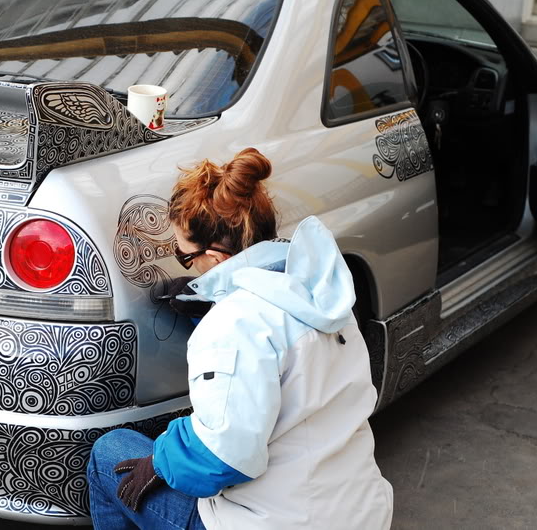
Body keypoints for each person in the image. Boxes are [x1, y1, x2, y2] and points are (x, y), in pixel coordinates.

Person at [86, 148, 393, 529]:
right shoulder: (324, 298)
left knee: (108, 453)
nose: (187, 266)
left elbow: (223, 459)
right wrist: (211, 303)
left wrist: (162, 456)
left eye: (185, 257)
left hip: (274, 523)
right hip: (359, 514)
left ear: (214, 258)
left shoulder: (233, 326)